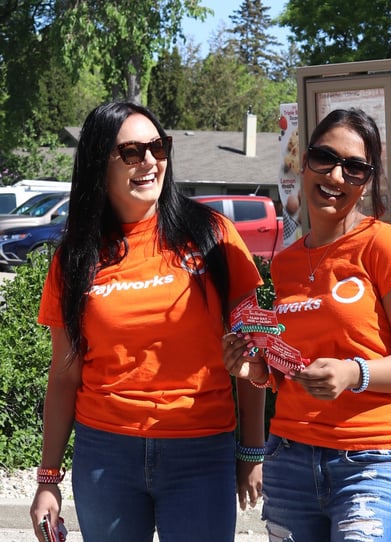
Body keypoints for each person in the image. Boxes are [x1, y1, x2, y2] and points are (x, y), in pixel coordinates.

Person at [29, 101, 266, 542]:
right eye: (132, 152)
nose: (150, 162)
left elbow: (253, 353)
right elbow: (64, 375)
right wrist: (48, 479)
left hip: (201, 448)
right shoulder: (75, 256)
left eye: (158, 147)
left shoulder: (213, 235)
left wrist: (252, 449)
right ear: (100, 163)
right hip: (106, 456)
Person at [223, 108, 391, 542]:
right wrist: (257, 371)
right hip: (289, 453)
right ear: (304, 162)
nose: (336, 176)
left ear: (367, 182)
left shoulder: (385, 245)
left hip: (372, 457)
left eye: (354, 168)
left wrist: (354, 373)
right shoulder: (284, 263)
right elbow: (296, 369)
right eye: (325, 158)